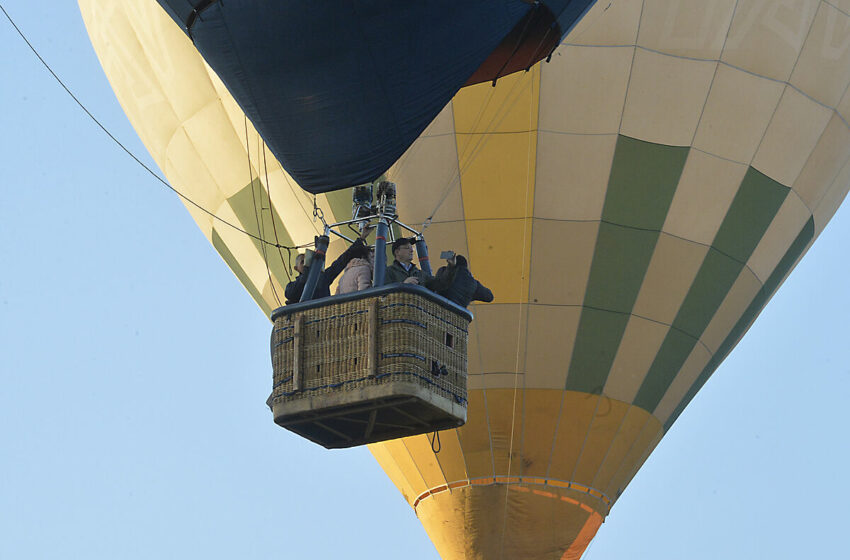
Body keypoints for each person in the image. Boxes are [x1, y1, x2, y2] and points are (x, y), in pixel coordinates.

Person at [285, 233, 369, 304]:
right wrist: (306, 273)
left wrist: (361, 239)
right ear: (296, 268)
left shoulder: (323, 277)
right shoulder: (291, 287)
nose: (306, 263)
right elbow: (290, 294)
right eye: (302, 262)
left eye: (308, 260)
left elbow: (341, 261)